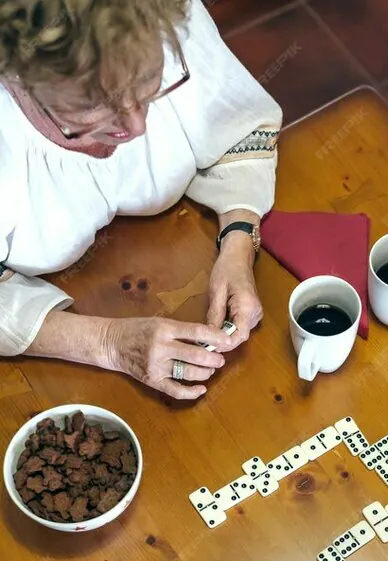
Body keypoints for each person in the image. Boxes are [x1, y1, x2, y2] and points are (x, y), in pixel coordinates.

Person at [0, 0, 282, 400]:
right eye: (94, 104)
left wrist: (238, 244)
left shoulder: (154, 14)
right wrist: (108, 342)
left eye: (150, 81)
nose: (136, 126)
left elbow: (234, 125)